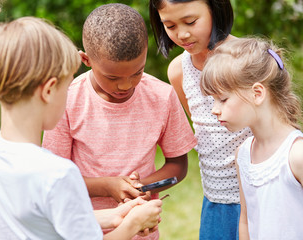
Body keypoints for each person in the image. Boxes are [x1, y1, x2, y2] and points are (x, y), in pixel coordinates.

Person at [0, 16, 163, 240]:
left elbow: (42, 219)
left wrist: (114, 216)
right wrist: (133, 224)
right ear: (49, 90)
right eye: (66, 89)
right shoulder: (58, 174)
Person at [42, 3, 197, 239]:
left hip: (141, 231)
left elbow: (178, 166)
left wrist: (142, 187)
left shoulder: (162, 96)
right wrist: (107, 186)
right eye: (112, 77)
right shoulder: (67, 100)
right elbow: (54, 179)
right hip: (81, 230)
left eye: (137, 72)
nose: (125, 85)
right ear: (86, 60)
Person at [149, 0, 252, 239]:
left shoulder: (250, 59)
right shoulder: (178, 71)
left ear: (215, 9)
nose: (182, 34)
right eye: (170, 25)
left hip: (260, 195)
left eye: (191, 21)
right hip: (215, 200)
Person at [200, 37, 303, 240]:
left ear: (257, 93)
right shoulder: (243, 154)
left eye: (222, 99)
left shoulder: (296, 155)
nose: (214, 110)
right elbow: (246, 220)